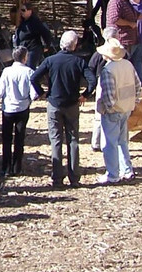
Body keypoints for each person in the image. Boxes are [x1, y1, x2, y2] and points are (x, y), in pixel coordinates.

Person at [31, 31, 97, 188]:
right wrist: (85, 95)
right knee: (73, 140)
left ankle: (57, 178)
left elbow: (33, 78)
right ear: (75, 45)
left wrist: (42, 93)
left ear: (61, 44)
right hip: (72, 104)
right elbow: (92, 80)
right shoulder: (78, 61)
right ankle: (74, 177)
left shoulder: (50, 60)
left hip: (54, 103)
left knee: (56, 140)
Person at [94, 37, 141, 185]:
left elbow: (109, 95)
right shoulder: (128, 64)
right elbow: (138, 86)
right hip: (127, 108)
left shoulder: (108, 70)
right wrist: (133, 102)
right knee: (122, 141)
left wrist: (109, 109)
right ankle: (127, 170)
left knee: (109, 143)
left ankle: (113, 174)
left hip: (113, 111)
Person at [0, 46, 37, 177]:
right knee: (19, 138)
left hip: (8, 108)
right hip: (23, 108)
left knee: (6, 138)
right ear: (24, 58)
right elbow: (34, 94)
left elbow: (0, 91)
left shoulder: (6, 71)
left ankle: (6, 168)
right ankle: (17, 167)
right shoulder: (29, 72)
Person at [105, 0, 140, 64]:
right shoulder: (115, 2)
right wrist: (130, 23)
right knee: (120, 62)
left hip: (129, 39)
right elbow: (114, 19)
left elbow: (137, 15)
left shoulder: (126, 1)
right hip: (121, 39)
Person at [12, 2, 54, 68]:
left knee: (30, 68)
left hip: (32, 49)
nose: (21, 12)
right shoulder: (23, 21)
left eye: (23, 10)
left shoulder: (35, 22)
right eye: (21, 10)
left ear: (30, 11)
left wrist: (47, 46)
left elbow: (46, 33)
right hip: (23, 49)